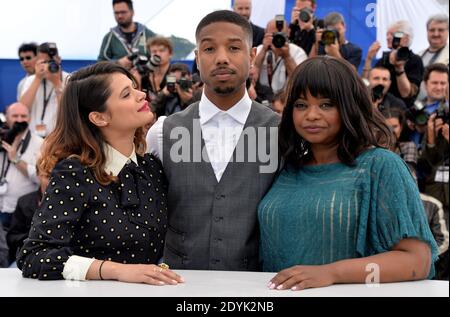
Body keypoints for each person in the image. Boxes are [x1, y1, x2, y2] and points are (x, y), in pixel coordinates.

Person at [258, 57, 438, 291]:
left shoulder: (381, 166)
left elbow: (418, 261)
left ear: (350, 107)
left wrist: (332, 273)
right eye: (301, 105)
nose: (311, 115)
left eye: (326, 104)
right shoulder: (286, 168)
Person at [17, 62, 183, 286]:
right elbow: (34, 256)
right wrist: (116, 270)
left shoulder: (151, 167)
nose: (141, 94)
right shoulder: (74, 173)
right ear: (99, 118)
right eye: (126, 94)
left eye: (135, 87)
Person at [147, 10, 279, 271]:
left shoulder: (280, 131)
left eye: (233, 47)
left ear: (252, 57)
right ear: (197, 59)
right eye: (209, 49)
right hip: (179, 286)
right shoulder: (162, 133)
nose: (221, 58)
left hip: (255, 288)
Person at [0, 103, 43, 229]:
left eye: (23, 116)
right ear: (7, 118)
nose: (19, 120)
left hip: (22, 211)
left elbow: (41, 178)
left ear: (30, 118)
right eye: (15, 116)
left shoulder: (40, 144)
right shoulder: (2, 139)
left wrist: (16, 160)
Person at [364, 21, 424, 108]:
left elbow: (406, 94)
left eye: (392, 35)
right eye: (387, 34)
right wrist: (368, 59)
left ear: (406, 38)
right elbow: (366, 85)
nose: (388, 38)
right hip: (379, 107)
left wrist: (399, 67)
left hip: (401, 111)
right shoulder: (384, 59)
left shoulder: (414, 60)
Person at [19, 43, 70, 137]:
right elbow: (22, 109)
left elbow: (68, 112)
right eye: (44, 62)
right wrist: (37, 79)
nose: (48, 65)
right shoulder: (31, 80)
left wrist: (57, 83)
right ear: (37, 62)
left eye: (51, 61)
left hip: (59, 137)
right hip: (34, 138)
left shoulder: (69, 79)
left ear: (59, 60)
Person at [254, 18, 307, 102]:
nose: (277, 39)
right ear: (265, 33)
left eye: (281, 35)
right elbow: (251, 74)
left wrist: (287, 56)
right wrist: (264, 50)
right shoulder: (259, 50)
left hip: (288, 99)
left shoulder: (297, 52)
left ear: (289, 33)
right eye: (273, 35)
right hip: (263, 99)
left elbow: (300, 80)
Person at [6, 170, 48, 265]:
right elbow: (11, 237)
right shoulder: (24, 202)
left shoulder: (68, 203)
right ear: (38, 176)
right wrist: (31, 238)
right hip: (28, 256)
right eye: (47, 176)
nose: (51, 181)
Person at [98, 0, 156, 68]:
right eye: (116, 13)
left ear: (132, 12)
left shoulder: (149, 35)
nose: (119, 16)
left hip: (145, 77)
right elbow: (100, 64)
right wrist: (118, 63)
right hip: (120, 77)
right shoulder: (109, 37)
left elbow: (160, 59)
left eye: (123, 12)